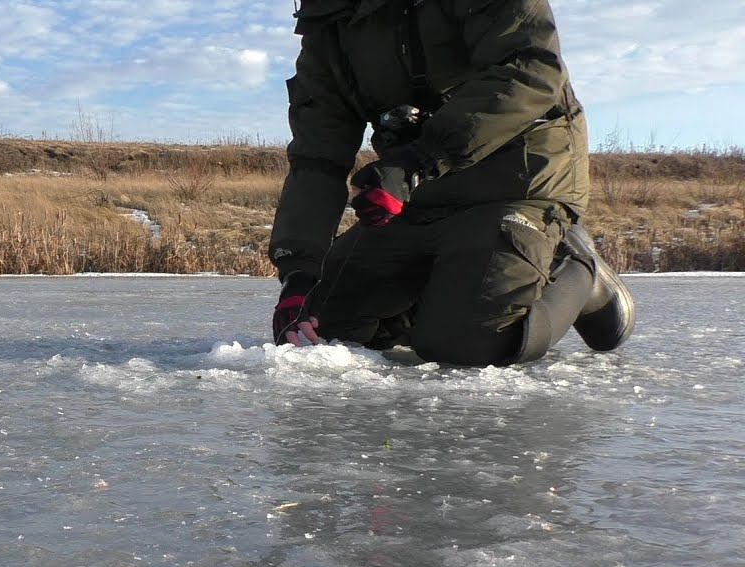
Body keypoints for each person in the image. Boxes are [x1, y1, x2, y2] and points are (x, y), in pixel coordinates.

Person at [268, 0, 635, 365]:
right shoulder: (329, 20)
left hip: (519, 179)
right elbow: (318, 158)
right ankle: (440, 295)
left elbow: (530, 72)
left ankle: (575, 266)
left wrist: (417, 163)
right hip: (423, 193)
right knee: (323, 332)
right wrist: (299, 275)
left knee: (470, 342)